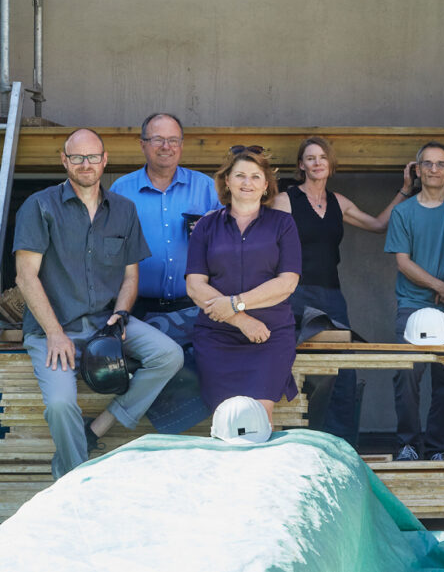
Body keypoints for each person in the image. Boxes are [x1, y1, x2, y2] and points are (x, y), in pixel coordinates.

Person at [13, 128, 183, 478]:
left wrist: (121, 315)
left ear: (104, 161)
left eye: (93, 157)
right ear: (64, 160)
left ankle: (97, 429)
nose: (85, 164)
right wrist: (55, 333)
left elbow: (130, 277)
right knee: (60, 405)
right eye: (77, 157)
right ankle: (75, 478)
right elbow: (25, 277)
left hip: (106, 322)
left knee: (169, 355)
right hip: (53, 330)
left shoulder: (123, 210)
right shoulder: (40, 206)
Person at [270, 136, 413, 441]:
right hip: (294, 293)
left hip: (332, 296)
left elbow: (377, 224)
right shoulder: (286, 200)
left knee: (342, 368)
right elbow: (268, 245)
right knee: (297, 366)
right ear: (301, 165)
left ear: (330, 164)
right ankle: (297, 439)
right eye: (310, 158)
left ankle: (339, 442)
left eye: (322, 157)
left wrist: (404, 190)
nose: (317, 162)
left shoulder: (339, 202)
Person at [185, 146, 302, 423]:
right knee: (226, 419)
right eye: (239, 175)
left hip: (269, 336)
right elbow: (195, 285)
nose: (246, 183)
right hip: (217, 337)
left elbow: (287, 283)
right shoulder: (206, 226)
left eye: (254, 176)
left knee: (257, 417)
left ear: (265, 185)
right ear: (227, 181)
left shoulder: (283, 224)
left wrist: (236, 303)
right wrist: (241, 319)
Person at [385, 141, 444, 462]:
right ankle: (408, 443)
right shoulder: (403, 212)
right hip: (413, 305)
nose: (434, 170)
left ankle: (437, 447)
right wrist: (441, 286)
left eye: (440, 164)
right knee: (407, 375)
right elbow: (403, 262)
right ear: (417, 170)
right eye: (427, 164)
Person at [109, 113, 221, 316]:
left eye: (173, 140)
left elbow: (233, 240)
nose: (166, 146)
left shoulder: (206, 187)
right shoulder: (121, 190)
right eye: (157, 139)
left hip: (196, 308)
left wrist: (216, 227)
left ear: (182, 145)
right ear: (142, 144)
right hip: (137, 310)